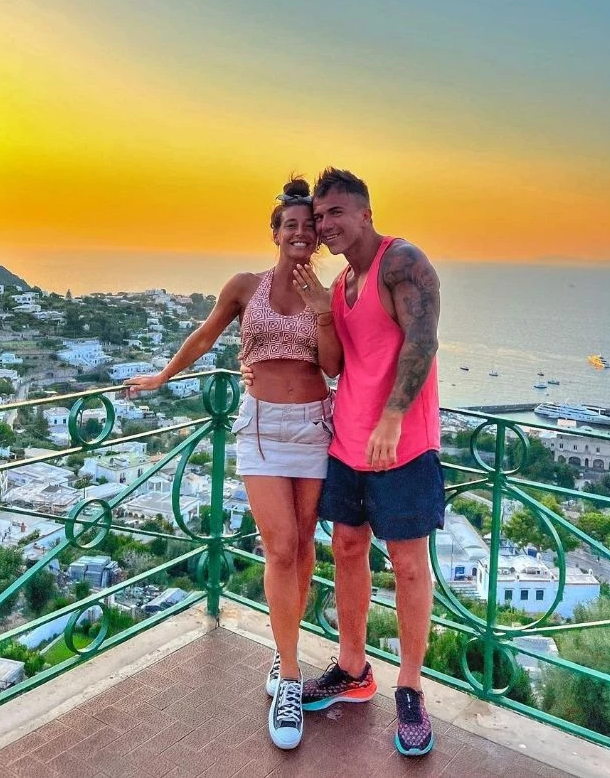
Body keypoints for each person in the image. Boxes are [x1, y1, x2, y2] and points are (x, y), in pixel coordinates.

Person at [124, 178, 342, 751]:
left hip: (314, 426)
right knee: (280, 547)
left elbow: (335, 365)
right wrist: (163, 376)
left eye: (309, 226)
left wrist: (324, 313)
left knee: (303, 547)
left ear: (319, 236)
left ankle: (284, 651)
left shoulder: (330, 292)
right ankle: (290, 678)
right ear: (275, 233)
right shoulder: (246, 286)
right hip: (261, 430)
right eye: (290, 225)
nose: (300, 233)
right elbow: (205, 335)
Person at [302, 168, 444, 757]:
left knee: (408, 565)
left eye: (335, 212)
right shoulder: (342, 284)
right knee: (346, 548)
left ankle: (409, 687)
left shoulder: (401, 262)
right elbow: (338, 365)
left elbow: (423, 340)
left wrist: (393, 416)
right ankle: (353, 668)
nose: (325, 225)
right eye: (319, 217)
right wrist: (320, 312)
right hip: (347, 442)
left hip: (402, 444)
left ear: (365, 213)